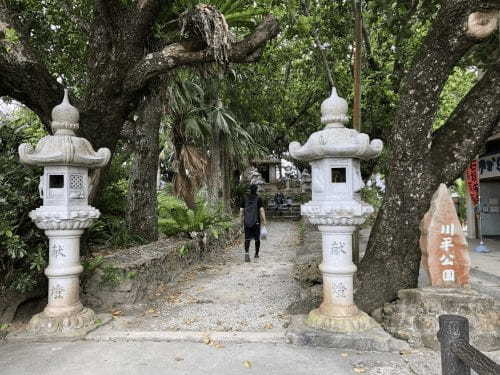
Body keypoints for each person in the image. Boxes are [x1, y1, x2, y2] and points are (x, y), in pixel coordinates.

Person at [240, 184, 267, 262]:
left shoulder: (244, 198)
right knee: (257, 238)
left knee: (247, 238)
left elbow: (241, 211)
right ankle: (256, 254)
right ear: (256, 190)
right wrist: (264, 220)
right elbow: (261, 210)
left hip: (247, 221)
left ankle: (246, 253)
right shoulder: (258, 198)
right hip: (256, 222)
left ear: (249, 189)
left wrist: (241, 221)